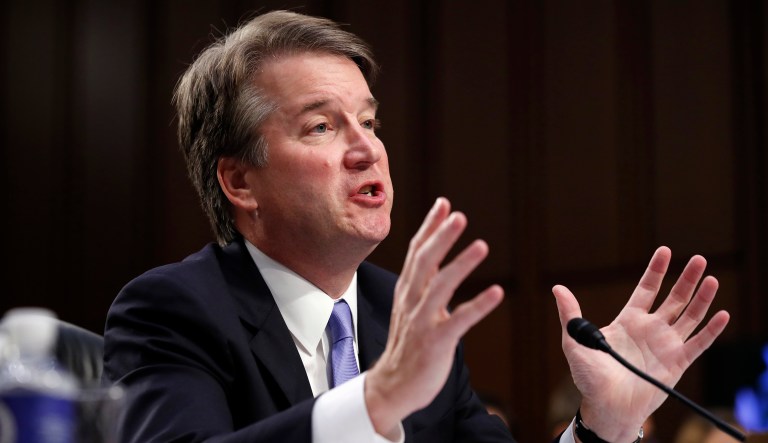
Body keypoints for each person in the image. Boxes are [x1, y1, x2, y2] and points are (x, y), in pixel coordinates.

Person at [102, 10, 731, 443]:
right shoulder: (172, 310)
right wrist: (376, 399)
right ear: (239, 182)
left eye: (369, 123)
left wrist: (604, 428)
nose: (367, 150)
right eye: (322, 126)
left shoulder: (401, 313)